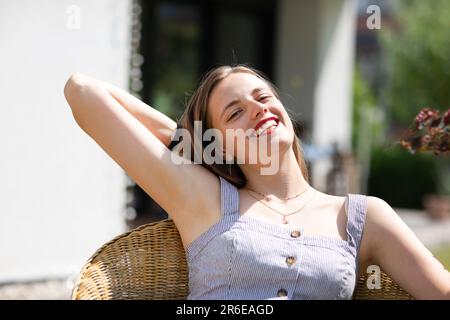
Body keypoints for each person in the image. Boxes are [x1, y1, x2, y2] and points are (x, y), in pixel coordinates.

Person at [63, 65, 450, 300]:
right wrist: (192, 142)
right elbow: (82, 92)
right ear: (217, 142)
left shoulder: (362, 217)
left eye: (263, 97)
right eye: (235, 113)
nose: (257, 109)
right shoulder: (206, 199)